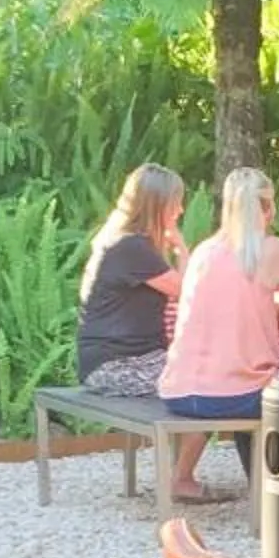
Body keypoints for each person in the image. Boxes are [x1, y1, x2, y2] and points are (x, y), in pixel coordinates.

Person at [157, 166, 279, 505]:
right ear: (269, 207)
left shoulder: (204, 251)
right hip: (235, 394)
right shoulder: (270, 248)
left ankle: (193, 479)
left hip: (179, 389)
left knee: (242, 383)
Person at [75, 164, 187, 397]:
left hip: (135, 359)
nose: (181, 210)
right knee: (207, 377)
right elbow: (189, 291)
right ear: (157, 206)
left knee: (210, 371)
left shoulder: (125, 242)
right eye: (176, 203)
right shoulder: (132, 247)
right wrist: (182, 249)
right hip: (116, 364)